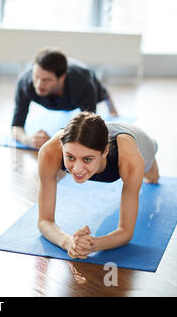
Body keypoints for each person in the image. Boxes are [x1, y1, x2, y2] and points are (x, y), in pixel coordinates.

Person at [37, 111, 159, 259]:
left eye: (87, 159)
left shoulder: (130, 161)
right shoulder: (49, 153)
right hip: (99, 133)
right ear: (61, 147)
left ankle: (153, 154)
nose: (77, 169)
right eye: (70, 157)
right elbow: (44, 221)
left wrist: (93, 244)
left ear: (105, 151)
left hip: (139, 141)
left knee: (151, 174)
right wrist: (70, 243)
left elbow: (126, 232)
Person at [11, 48, 119, 149]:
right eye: (36, 76)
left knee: (103, 95)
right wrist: (27, 140)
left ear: (61, 78)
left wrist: (56, 141)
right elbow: (15, 126)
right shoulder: (25, 82)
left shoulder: (82, 84)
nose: (39, 84)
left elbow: (90, 128)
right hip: (56, 99)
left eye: (46, 80)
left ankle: (109, 100)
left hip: (79, 90)